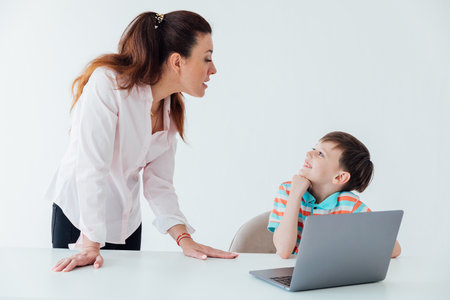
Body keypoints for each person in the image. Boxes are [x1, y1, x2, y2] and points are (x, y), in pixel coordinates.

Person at [46, 10, 238, 273]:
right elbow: (91, 167)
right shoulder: (109, 85)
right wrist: (91, 245)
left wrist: (185, 240)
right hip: (79, 219)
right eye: (207, 59)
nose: (213, 70)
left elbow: (158, 184)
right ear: (177, 62)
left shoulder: (171, 106)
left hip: (125, 223)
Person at [267, 131, 401, 259]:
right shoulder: (288, 191)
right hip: (289, 270)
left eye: (320, 154)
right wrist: (295, 195)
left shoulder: (348, 205)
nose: (309, 153)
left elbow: (395, 249)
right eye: (314, 148)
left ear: (340, 177)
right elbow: (284, 251)